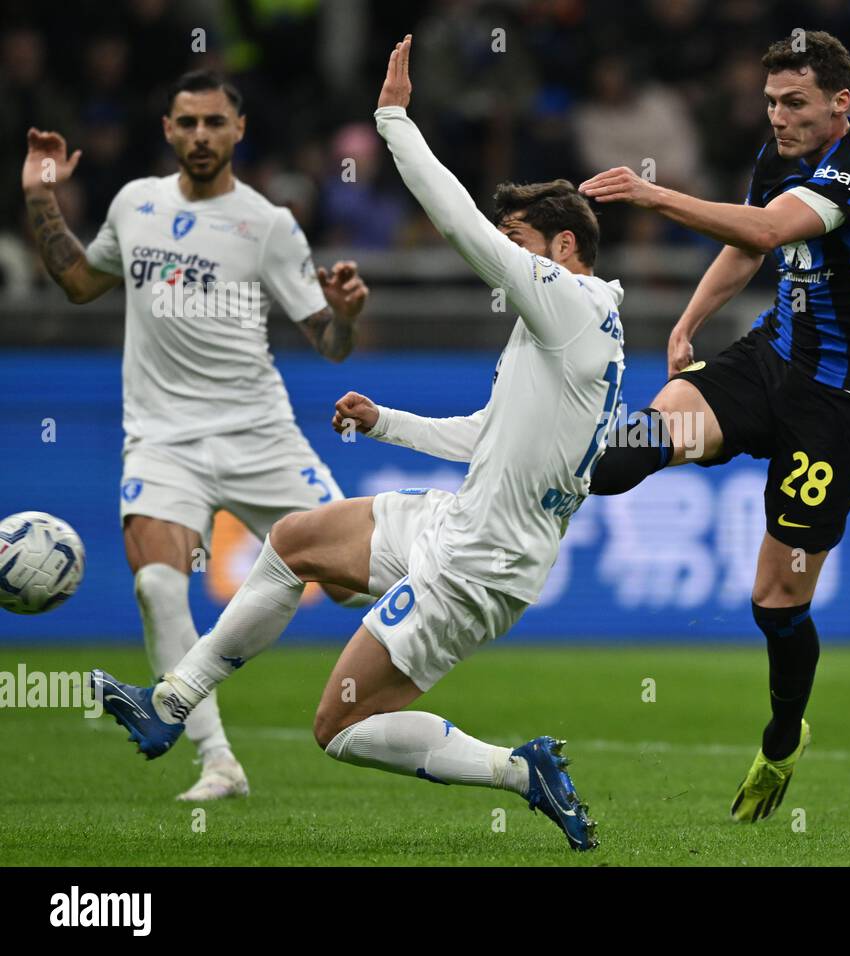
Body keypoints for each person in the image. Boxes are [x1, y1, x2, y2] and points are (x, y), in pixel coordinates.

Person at [91, 36, 616, 851]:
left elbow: (460, 224)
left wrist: (394, 121)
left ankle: (521, 771)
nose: (507, 254)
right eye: (511, 238)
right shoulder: (564, 333)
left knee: (337, 725)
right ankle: (168, 707)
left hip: (480, 568)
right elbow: (488, 435)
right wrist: (386, 423)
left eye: (521, 238)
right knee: (295, 540)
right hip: (456, 522)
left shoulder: (570, 305)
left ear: (565, 248)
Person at [578, 30, 850, 822]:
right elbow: (750, 240)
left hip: (843, 404)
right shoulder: (784, 156)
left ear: (840, 103)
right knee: (626, 454)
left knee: (775, 603)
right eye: (771, 101)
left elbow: (768, 232)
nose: (779, 116)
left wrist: (652, 194)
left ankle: (781, 736)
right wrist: (690, 321)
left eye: (795, 102)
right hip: (773, 359)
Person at [23, 70, 370, 801]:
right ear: (168, 129)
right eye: (188, 123)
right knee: (156, 585)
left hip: (258, 435)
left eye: (215, 122)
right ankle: (217, 761)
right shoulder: (135, 204)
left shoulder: (267, 223)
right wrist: (39, 197)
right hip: (162, 438)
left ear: (239, 131)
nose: (201, 135)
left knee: (355, 580)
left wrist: (344, 313)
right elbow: (82, 283)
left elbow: (329, 343)